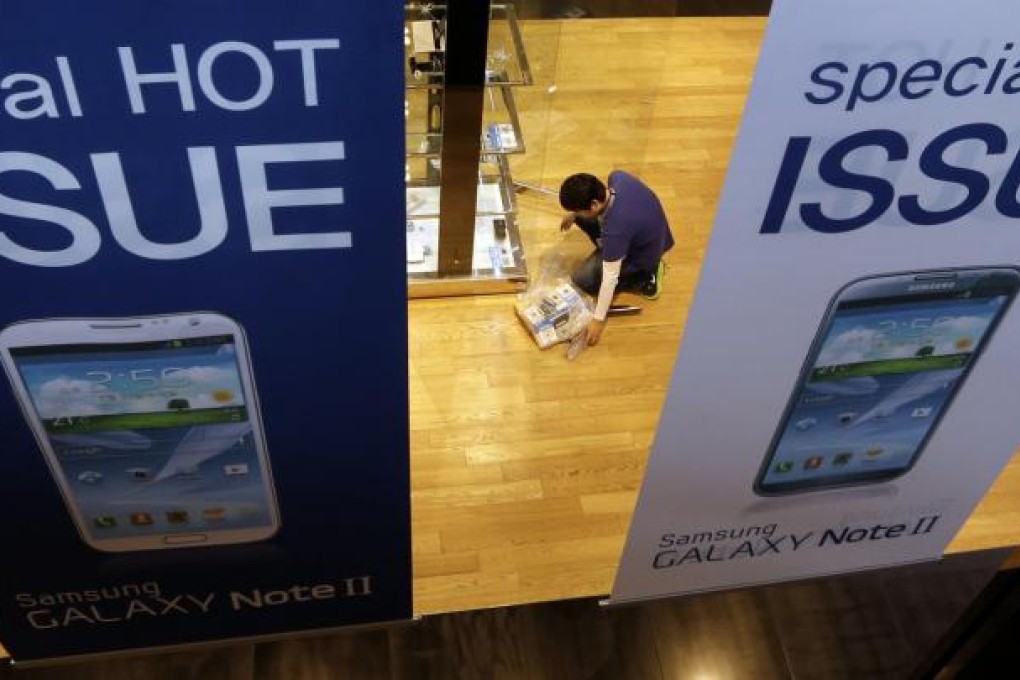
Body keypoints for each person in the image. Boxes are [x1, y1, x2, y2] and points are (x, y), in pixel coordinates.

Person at [558, 171, 674, 346]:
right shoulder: (618, 178)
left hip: (642, 255)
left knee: (582, 279)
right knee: (583, 219)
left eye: (577, 209)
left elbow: (610, 278)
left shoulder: (615, 231)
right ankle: (619, 255)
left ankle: (643, 277)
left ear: (594, 204)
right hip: (649, 235)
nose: (576, 212)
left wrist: (598, 320)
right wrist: (575, 215)